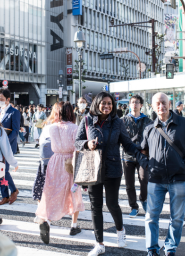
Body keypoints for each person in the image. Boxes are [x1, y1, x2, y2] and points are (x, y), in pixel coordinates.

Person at [75, 92, 146, 256]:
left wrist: (141, 154)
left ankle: (120, 231)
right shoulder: (86, 120)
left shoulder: (117, 122)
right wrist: (87, 143)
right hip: (93, 168)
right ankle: (99, 243)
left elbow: (127, 143)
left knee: (112, 204)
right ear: (97, 104)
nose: (107, 106)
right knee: (96, 206)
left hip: (113, 169)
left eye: (109, 103)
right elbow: (77, 142)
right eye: (103, 103)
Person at [137, 93, 185, 256]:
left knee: (177, 218)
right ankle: (152, 249)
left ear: (170, 103)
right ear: (152, 106)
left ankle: (170, 247)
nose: (161, 106)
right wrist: (148, 165)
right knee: (151, 217)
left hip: (179, 178)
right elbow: (141, 152)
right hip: (155, 179)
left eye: (164, 103)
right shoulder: (149, 128)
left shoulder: (184, 124)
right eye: (157, 104)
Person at [36, 102, 85, 244]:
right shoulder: (75, 128)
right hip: (70, 161)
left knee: (53, 192)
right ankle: (74, 226)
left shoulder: (51, 128)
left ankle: (48, 221)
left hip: (55, 160)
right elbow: (78, 148)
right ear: (71, 113)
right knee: (74, 192)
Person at [121, 95, 152, 217]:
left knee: (144, 179)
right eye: (132, 102)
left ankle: (143, 199)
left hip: (143, 155)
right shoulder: (123, 120)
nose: (134, 104)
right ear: (129, 105)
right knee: (129, 183)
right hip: (127, 155)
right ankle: (133, 206)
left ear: (141, 105)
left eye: (137, 102)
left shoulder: (148, 120)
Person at [32, 102, 62, 203]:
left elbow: (42, 141)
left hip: (49, 159)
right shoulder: (50, 125)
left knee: (44, 184)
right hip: (51, 160)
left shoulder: (51, 124)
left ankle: (45, 209)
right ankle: (44, 210)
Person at [0, 88, 21, 205]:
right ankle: (5, 195)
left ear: (8, 99)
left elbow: (15, 131)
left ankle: (14, 190)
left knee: (4, 171)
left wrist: (4, 142)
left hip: (8, 146)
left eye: (1, 99)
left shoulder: (14, 112)